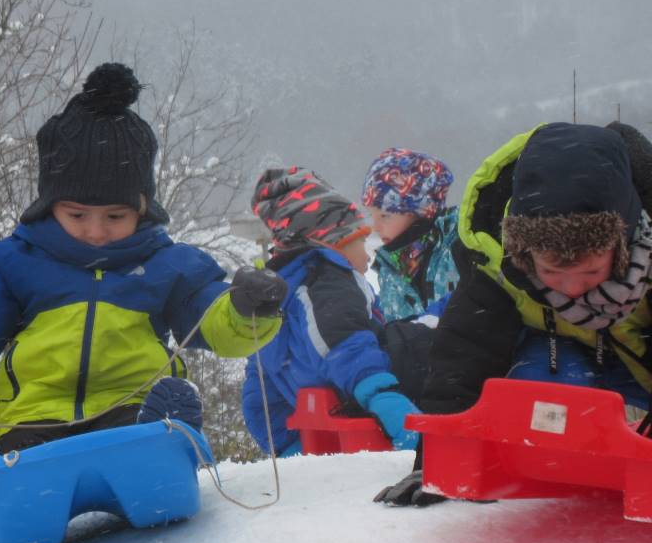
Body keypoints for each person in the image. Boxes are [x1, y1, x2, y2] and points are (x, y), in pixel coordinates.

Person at [0, 63, 288, 506]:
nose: (96, 231)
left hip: (130, 410)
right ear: (49, 206)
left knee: (143, 432)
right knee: (24, 461)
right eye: (77, 215)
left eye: (115, 216)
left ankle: (165, 446)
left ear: (142, 209)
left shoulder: (167, 266)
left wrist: (247, 309)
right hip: (35, 420)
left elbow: (212, 319)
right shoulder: (17, 264)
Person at [377, 121, 652, 506]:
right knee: (534, 402)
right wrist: (438, 463)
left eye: (590, 272)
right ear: (524, 253)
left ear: (621, 248)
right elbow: (463, 357)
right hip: (559, 361)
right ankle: (558, 465)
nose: (572, 288)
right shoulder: (497, 265)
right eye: (552, 272)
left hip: (640, 362)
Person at [241, 167, 421, 457]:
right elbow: (347, 345)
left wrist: (288, 448)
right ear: (331, 243)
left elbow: (259, 394)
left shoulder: (279, 296)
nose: (368, 255)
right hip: (367, 405)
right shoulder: (329, 280)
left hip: (331, 424)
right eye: (360, 241)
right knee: (431, 334)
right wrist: (386, 398)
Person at [361, 148, 460, 321]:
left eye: (385, 216)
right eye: (372, 216)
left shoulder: (458, 247)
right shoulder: (389, 269)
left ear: (419, 211)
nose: (375, 228)